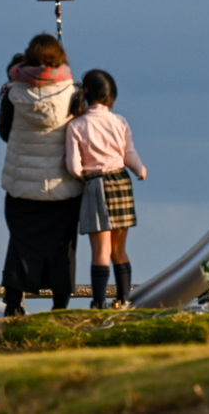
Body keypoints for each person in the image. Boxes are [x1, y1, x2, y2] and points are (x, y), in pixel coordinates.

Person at [0, 33, 81, 315]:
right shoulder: (74, 94)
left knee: (20, 247)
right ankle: (59, 306)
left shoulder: (13, 93)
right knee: (63, 249)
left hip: (23, 187)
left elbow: (3, 132)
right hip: (64, 189)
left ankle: (13, 305)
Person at [65, 69, 147, 309]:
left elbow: (73, 166)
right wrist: (140, 170)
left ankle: (98, 302)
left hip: (96, 184)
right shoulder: (119, 121)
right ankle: (123, 300)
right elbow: (128, 154)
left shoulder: (76, 125)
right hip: (121, 181)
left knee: (100, 251)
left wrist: (83, 177)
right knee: (119, 250)